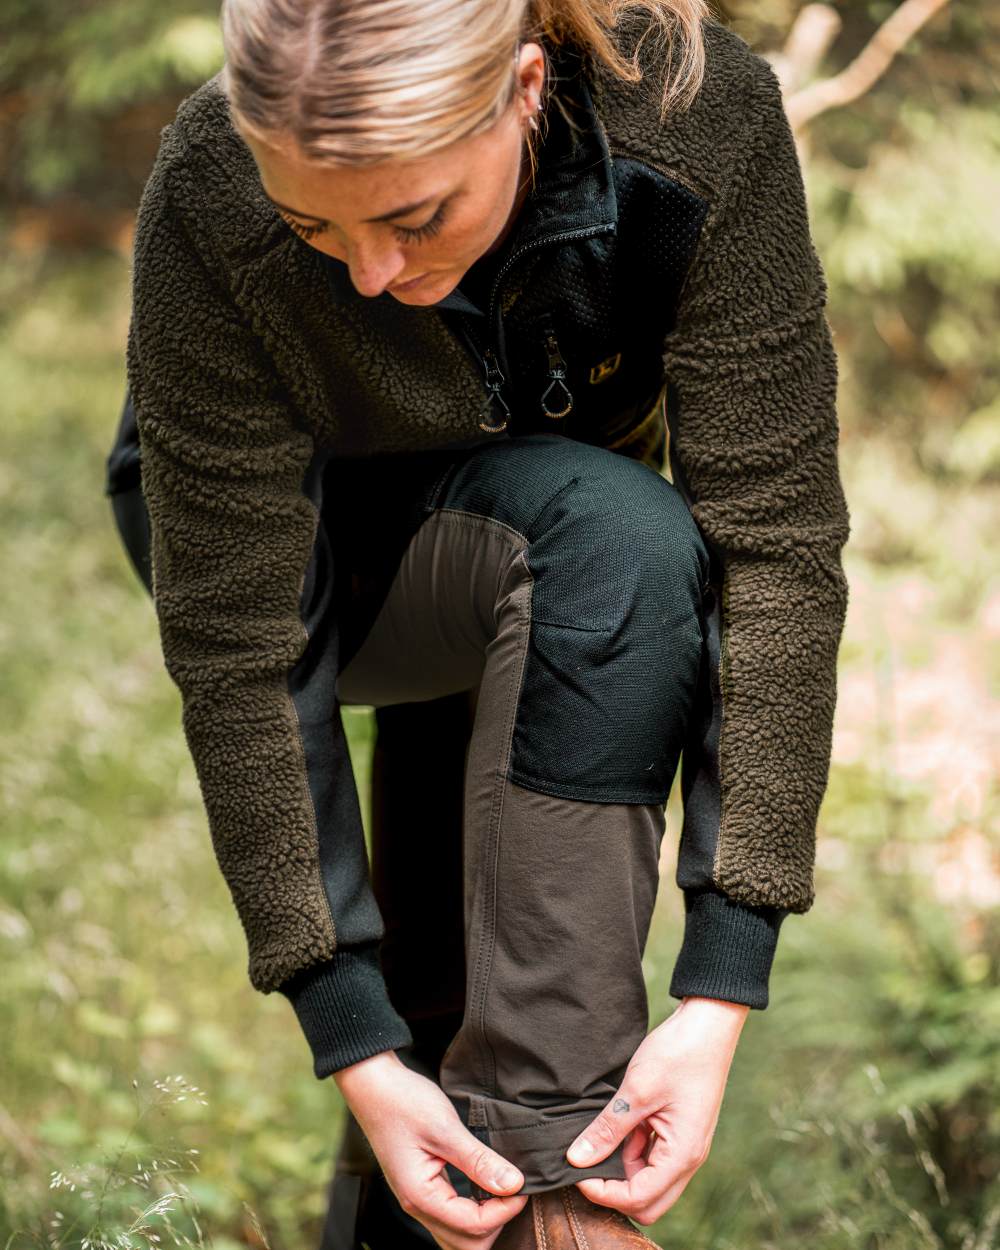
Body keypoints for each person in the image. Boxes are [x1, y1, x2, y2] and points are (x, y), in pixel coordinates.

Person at [104, 0, 851, 1245]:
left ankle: (482, 1192)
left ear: (523, 88)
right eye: (312, 227)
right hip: (315, 551)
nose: (370, 275)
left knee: (587, 564)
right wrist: (344, 1023)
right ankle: (553, 1211)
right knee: (598, 537)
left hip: (545, 524)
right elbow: (242, 656)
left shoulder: (695, 115)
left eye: (412, 216)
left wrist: (725, 972)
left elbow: (775, 544)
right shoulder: (210, 182)